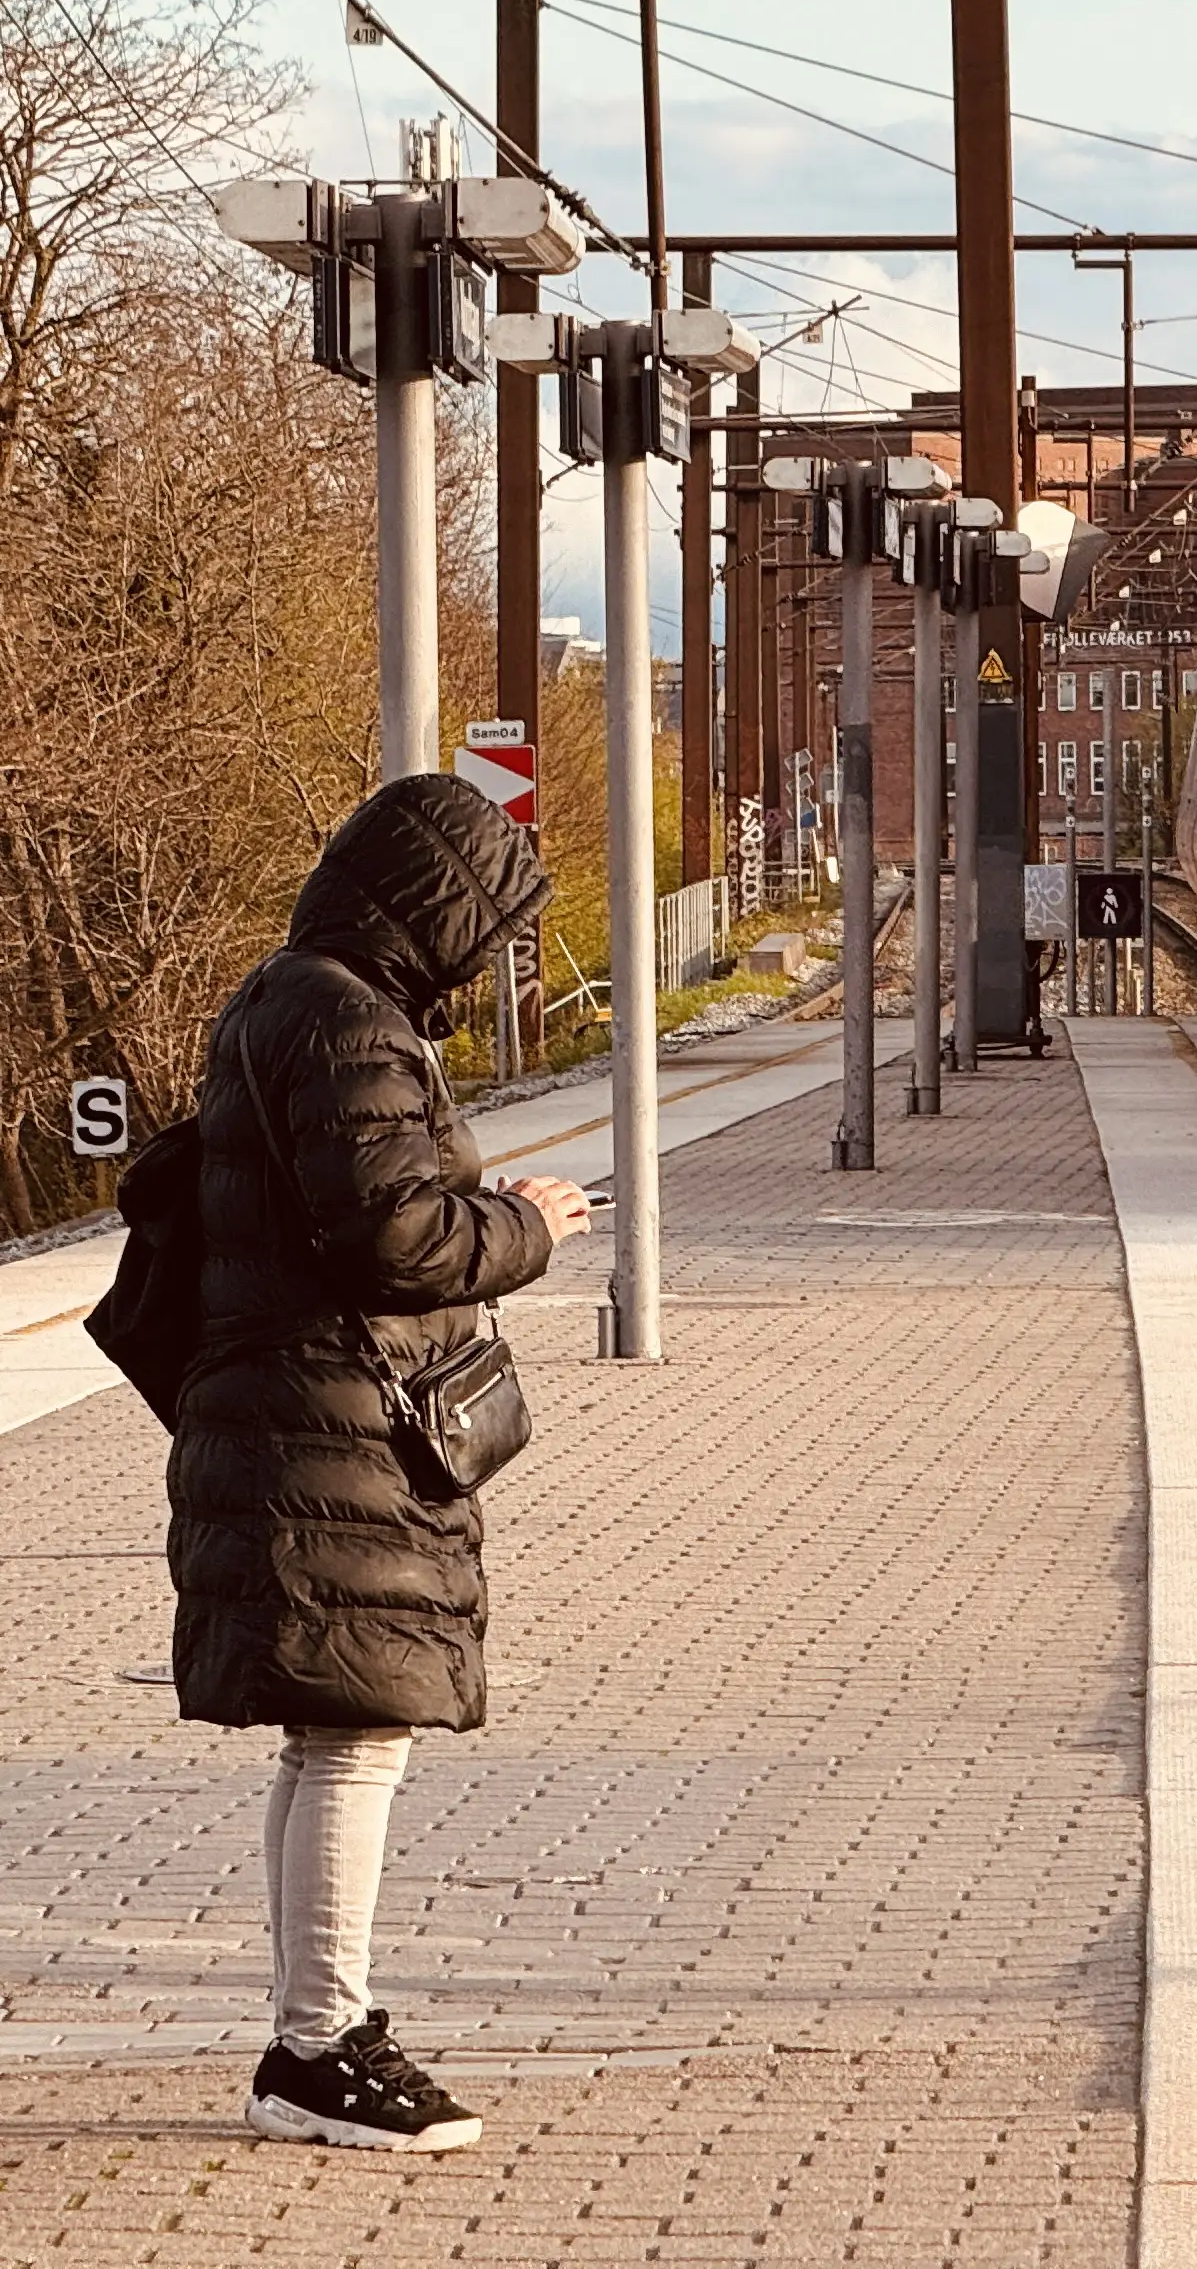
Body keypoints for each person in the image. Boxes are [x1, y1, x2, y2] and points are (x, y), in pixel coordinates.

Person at [170, 774, 591, 2153]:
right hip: (329, 1436)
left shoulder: (286, 996)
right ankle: (319, 2050)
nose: (490, 961)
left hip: (300, 1425)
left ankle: (314, 2037)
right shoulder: (348, 1022)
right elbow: (394, 1240)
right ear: (433, 908)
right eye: (486, 932)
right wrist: (526, 1226)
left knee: (332, 1735)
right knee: (356, 1739)